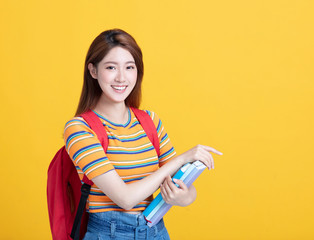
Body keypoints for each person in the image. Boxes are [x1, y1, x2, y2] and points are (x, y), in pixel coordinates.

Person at [63, 29, 222, 240]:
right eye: (111, 67)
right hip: (109, 234)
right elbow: (126, 199)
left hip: (156, 231)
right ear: (93, 70)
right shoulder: (79, 128)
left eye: (129, 67)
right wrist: (183, 158)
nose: (121, 77)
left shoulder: (149, 121)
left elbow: (186, 190)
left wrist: (182, 197)